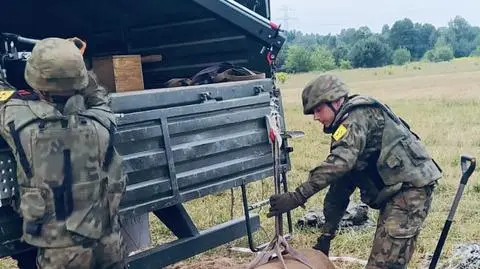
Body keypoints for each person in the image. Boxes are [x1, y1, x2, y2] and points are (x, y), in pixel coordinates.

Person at [267, 74, 442, 268]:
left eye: (318, 109)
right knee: (392, 260)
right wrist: (327, 233)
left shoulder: (356, 118)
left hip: (410, 192)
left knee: (383, 264)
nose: (316, 117)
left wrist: (297, 196)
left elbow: (340, 164)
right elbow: (340, 186)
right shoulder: (346, 128)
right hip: (399, 191)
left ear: (336, 101)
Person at [0, 37, 127, 268]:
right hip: (110, 245)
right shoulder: (103, 121)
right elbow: (97, 94)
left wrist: (57, 59)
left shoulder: (19, 122)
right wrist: (72, 59)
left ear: (37, 83)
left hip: (61, 256)